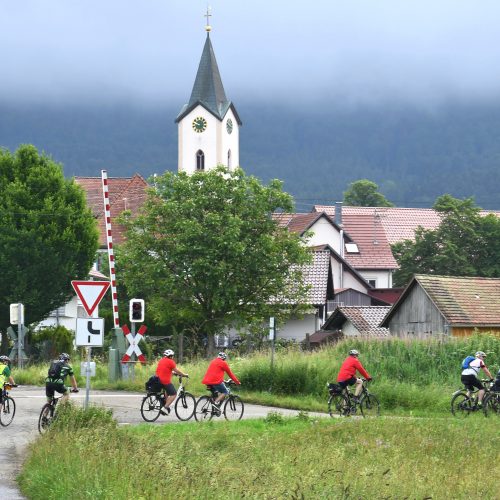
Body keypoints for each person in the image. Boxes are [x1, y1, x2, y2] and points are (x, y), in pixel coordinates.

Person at [155, 349, 189, 415]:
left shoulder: (161, 361)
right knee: (174, 394)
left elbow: (166, 370)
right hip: (164, 381)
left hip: (157, 380)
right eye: (172, 356)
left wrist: (173, 373)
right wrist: (184, 375)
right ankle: (165, 407)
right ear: (171, 356)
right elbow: (177, 371)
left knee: (167, 390)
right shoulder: (171, 361)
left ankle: (165, 402)